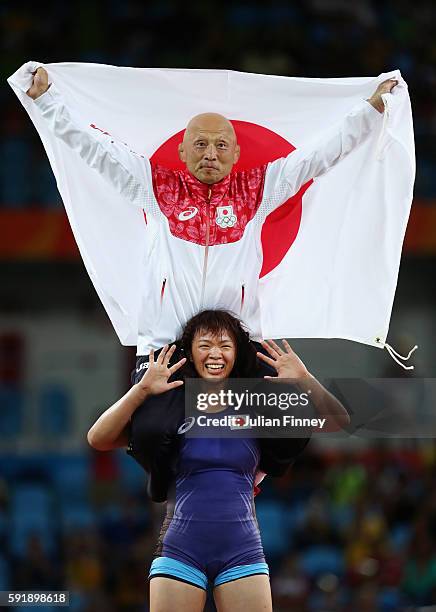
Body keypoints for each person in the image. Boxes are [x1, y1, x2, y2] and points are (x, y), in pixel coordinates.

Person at [25, 66, 398, 361]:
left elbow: (320, 153)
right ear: (182, 152)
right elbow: (94, 148)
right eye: (200, 144)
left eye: (221, 145)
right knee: (155, 443)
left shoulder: (259, 189)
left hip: (235, 348)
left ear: (235, 154)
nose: (210, 154)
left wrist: (371, 109)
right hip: (164, 348)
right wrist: (47, 101)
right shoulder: (153, 186)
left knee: (247, 450)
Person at [87, 310, 349, 612]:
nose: (215, 354)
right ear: (190, 353)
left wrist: (305, 379)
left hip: (243, 552)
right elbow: (98, 438)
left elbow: (337, 420)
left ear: (237, 353)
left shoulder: (255, 405)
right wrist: (142, 389)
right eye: (205, 345)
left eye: (225, 345)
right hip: (180, 551)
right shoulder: (170, 406)